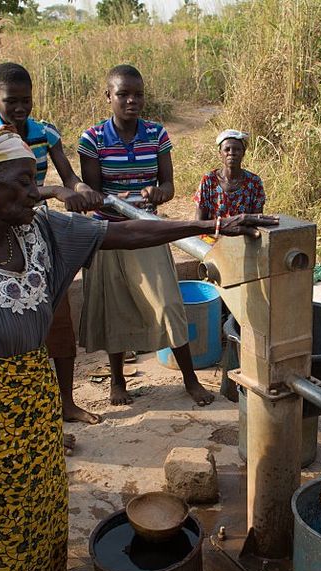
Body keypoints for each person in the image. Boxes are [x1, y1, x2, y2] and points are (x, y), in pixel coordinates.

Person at [0, 125, 274, 571]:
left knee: (43, 510)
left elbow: (124, 233)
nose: (37, 192)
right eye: (24, 182)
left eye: (37, 180)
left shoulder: (42, 232)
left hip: (33, 391)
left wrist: (213, 225)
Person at [78, 64, 213, 407]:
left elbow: (169, 186)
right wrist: (113, 201)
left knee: (169, 303)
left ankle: (190, 380)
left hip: (147, 230)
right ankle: (118, 382)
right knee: (114, 307)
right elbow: (92, 193)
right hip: (108, 232)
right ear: (108, 96)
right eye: (123, 94)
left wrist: (157, 194)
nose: (131, 101)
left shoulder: (156, 134)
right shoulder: (92, 139)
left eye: (137, 94)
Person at [0, 62, 102, 428]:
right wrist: (52, 191)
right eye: (11, 101)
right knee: (12, 324)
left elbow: (69, 176)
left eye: (26, 100)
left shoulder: (45, 134)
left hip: (37, 232)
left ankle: (66, 402)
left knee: (59, 319)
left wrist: (83, 191)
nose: (20, 108)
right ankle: (27, 411)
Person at [194, 129, 266, 236]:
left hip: (244, 239)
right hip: (213, 239)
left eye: (237, 149)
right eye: (227, 149)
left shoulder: (254, 182)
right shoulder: (209, 180)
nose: (231, 153)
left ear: (243, 153)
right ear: (220, 153)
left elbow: (256, 221)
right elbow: (199, 222)